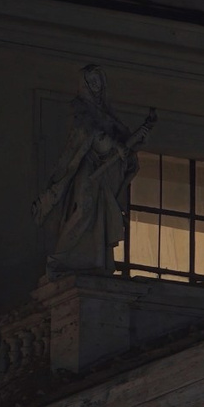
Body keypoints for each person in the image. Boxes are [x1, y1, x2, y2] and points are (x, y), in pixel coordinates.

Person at [34, 65, 157, 273]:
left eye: (97, 80)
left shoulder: (108, 114)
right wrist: (114, 145)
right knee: (83, 208)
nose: (95, 85)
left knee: (100, 215)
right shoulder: (80, 109)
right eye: (90, 81)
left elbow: (122, 139)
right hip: (88, 167)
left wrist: (131, 142)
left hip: (104, 173)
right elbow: (87, 133)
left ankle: (98, 260)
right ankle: (60, 257)